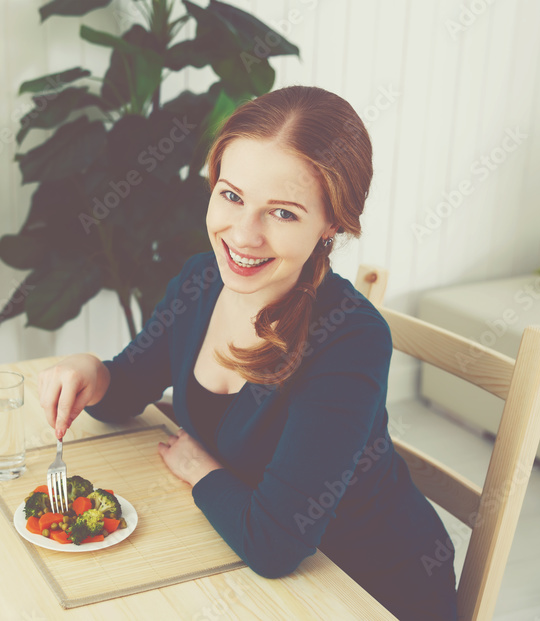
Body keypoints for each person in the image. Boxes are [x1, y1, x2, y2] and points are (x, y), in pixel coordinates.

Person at [36, 85, 458, 620]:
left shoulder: (350, 339)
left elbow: (275, 545)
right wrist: (92, 372)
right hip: (247, 569)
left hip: (364, 587)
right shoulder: (200, 279)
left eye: (282, 213)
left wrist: (201, 469)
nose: (242, 234)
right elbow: (127, 388)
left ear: (331, 224)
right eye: (231, 196)